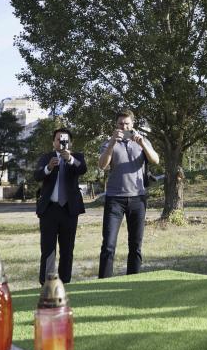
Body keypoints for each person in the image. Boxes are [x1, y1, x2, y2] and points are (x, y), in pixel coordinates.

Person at [97, 110, 159, 278]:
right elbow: (102, 165)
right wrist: (111, 144)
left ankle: (133, 280)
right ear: (116, 125)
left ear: (133, 125)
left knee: (136, 245)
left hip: (138, 199)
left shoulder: (142, 141)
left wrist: (143, 144)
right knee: (108, 244)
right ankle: (103, 283)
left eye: (127, 124)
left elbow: (155, 160)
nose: (123, 127)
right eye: (120, 124)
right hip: (114, 199)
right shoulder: (108, 143)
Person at [34, 128, 87, 284]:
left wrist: (69, 159)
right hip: (49, 209)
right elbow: (37, 176)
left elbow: (82, 169)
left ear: (70, 142)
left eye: (64, 140)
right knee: (48, 249)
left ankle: (65, 282)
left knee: (67, 249)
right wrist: (48, 168)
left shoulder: (77, 157)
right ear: (53, 142)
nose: (61, 142)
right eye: (58, 139)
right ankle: (47, 283)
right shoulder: (46, 157)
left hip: (69, 210)